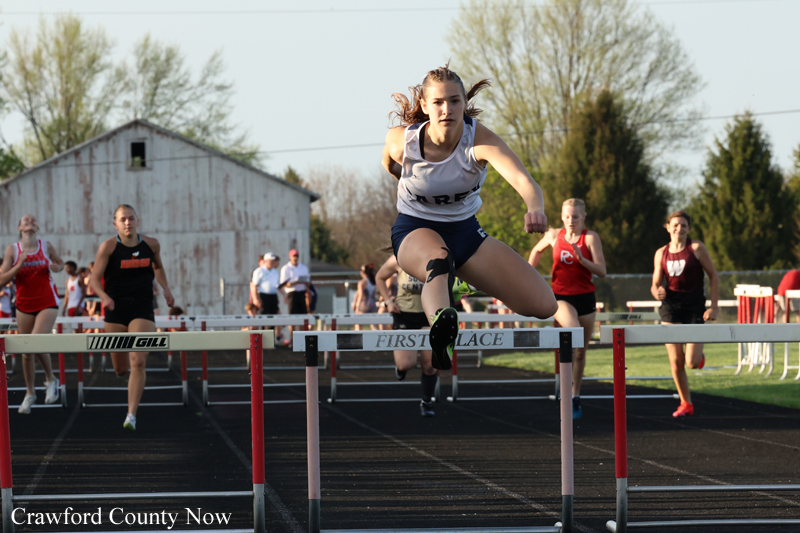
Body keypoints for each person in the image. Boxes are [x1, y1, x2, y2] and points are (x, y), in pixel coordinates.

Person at [383, 64, 557, 370]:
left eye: (453, 101)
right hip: (415, 230)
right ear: (425, 105)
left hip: (465, 234)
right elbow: (390, 165)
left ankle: (457, 284)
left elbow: (524, 181)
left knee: (544, 305)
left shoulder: (479, 141)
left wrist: (535, 209)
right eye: (437, 102)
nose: (446, 109)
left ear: (464, 103)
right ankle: (442, 331)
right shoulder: (403, 141)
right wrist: (404, 178)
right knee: (439, 259)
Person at [90, 204, 174, 431]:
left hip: (142, 310)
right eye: (123, 219)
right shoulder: (108, 247)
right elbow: (94, 280)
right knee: (120, 369)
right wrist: (104, 297)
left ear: (137, 220)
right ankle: (125, 375)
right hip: (115, 311)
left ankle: (131, 415)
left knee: (138, 360)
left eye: (131, 218)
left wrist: (166, 288)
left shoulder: (151, 244)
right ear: (115, 224)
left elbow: (158, 267)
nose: (127, 223)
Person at [528, 198, 607, 419]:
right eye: (567, 216)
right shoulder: (554, 236)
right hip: (561, 297)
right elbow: (536, 251)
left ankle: (574, 395)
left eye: (575, 216)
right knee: (573, 334)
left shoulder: (590, 238)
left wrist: (582, 259)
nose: (571, 221)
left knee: (581, 352)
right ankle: (565, 390)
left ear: (583, 217)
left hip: (585, 298)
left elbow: (602, 271)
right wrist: (528, 275)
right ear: (562, 217)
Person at [651, 210, 718, 418]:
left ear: (688, 229)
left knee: (691, 362)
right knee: (676, 360)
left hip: (694, 307)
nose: (679, 228)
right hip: (671, 307)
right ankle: (685, 402)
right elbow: (654, 284)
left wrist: (714, 307)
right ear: (668, 227)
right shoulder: (661, 253)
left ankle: (699, 357)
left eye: (684, 225)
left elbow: (714, 276)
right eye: (676, 225)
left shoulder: (696, 248)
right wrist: (657, 292)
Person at [0, 214, 64, 414]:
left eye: (33, 219)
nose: (29, 221)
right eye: (25, 220)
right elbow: (2, 279)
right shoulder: (13, 249)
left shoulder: (46, 246)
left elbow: (60, 263)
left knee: (36, 340)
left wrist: (58, 266)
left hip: (47, 301)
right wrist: (18, 266)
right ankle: (30, 392)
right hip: (24, 304)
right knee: (26, 351)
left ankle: (50, 379)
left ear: (37, 226)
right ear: (19, 227)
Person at [375, 255, 438, 416]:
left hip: (429, 313)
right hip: (404, 314)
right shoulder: (399, 258)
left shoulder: (437, 255)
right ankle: (400, 368)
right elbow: (380, 277)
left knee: (430, 364)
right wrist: (388, 302)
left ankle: (427, 401)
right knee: (406, 364)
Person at [279, 249, 310, 348]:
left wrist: (304, 283)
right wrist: (295, 282)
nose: (295, 258)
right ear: (290, 257)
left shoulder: (303, 268)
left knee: (303, 317)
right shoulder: (286, 268)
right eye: (293, 256)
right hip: (292, 294)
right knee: (292, 317)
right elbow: (284, 284)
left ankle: (302, 338)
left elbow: (308, 282)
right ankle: (293, 339)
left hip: (302, 293)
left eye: (296, 256)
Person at [351, 263, 379, 330]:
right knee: (374, 325)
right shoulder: (373, 281)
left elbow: (360, 296)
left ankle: (357, 339)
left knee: (358, 324)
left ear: (363, 272)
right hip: (372, 304)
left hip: (364, 305)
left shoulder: (362, 282)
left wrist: (357, 308)